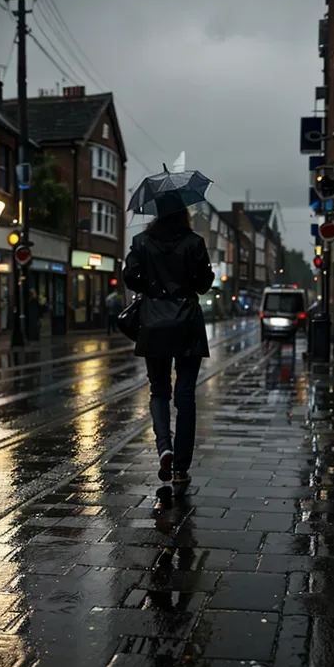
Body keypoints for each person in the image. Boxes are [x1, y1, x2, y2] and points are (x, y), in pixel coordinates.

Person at [124, 204, 214, 492]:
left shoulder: (141, 242)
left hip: (154, 324)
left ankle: (164, 447)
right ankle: (181, 468)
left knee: (159, 390)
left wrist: (151, 283)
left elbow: (130, 277)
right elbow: (203, 285)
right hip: (187, 322)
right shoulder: (194, 243)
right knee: (185, 395)